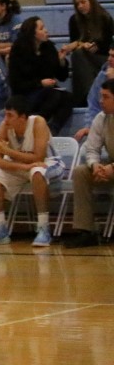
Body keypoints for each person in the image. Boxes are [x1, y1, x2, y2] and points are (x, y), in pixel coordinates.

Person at [0, 97, 67, 248]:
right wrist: (24, 166)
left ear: (23, 117)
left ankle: (43, 227)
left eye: (10, 115)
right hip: (24, 167)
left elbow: (38, 157)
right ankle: (0, 227)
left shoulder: (38, 122)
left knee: (38, 171)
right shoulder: (4, 126)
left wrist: (8, 151)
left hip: (49, 163)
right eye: (5, 114)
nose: (6, 119)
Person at [62, 79, 114, 248]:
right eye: (100, 96)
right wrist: (95, 165)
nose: (101, 101)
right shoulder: (101, 118)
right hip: (108, 166)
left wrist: (111, 168)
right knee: (80, 172)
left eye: (106, 97)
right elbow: (91, 148)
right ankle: (86, 231)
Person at [7, 16, 72, 134]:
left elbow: (62, 76)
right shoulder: (19, 49)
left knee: (67, 97)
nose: (46, 30)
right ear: (32, 33)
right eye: (41, 28)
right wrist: (40, 83)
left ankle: (52, 130)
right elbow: (16, 83)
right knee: (53, 94)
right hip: (24, 95)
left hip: (45, 93)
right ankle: (35, 127)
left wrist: (61, 61)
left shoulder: (48, 47)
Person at [63, 0, 114, 106]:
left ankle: (85, 97)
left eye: (83, 2)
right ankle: (87, 95)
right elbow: (74, 43)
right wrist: (81, 44)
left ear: (91, 1)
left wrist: (94, 46)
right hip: (84, 58)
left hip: (102, 58)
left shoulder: (105, 18)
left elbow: (108, 45)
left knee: (79, 56)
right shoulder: (74, 20)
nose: (80, 6)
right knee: (78, 55)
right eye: (77, 4)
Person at [74, 46, 114, 140]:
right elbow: (93, 105)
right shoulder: (103, 75)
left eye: (113, 56)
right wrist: (90, 127)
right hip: (106, 127)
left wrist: (112, 80)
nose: (109, 59)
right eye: (109, 55)